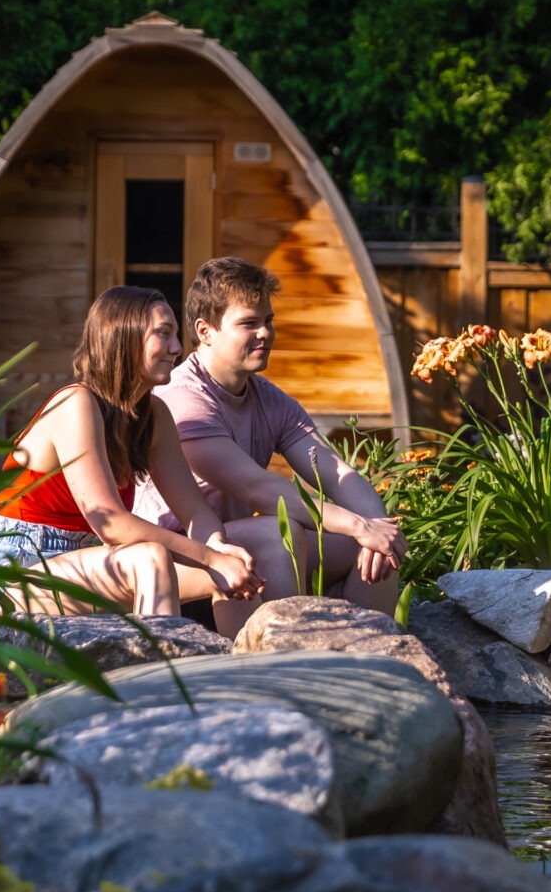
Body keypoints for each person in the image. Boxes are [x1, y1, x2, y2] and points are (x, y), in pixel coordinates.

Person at [153, 257, 407, 635]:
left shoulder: (269, 399)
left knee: (373, 551)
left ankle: (369, 663)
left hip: (238, 554)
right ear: (205, 330)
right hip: (181, 560)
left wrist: (375, 529)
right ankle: (288, 664)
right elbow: (261, 490)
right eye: (249, 323)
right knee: (274, 535)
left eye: (268, 321)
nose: (265, 333)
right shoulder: (181, 398)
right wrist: (359, 524)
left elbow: (335, 472)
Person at [0, 285, 258, 618]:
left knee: (237, 568)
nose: (177, 348)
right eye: (163, 334)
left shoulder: (153, 416)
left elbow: (195, 511)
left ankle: (240, 664)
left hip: (81, 567)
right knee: (150, 558)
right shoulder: (75, 403)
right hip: (10, 575)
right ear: (123, 338)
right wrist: (210, 559)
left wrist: (218, 548)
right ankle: (156, 668)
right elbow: (111, 525)